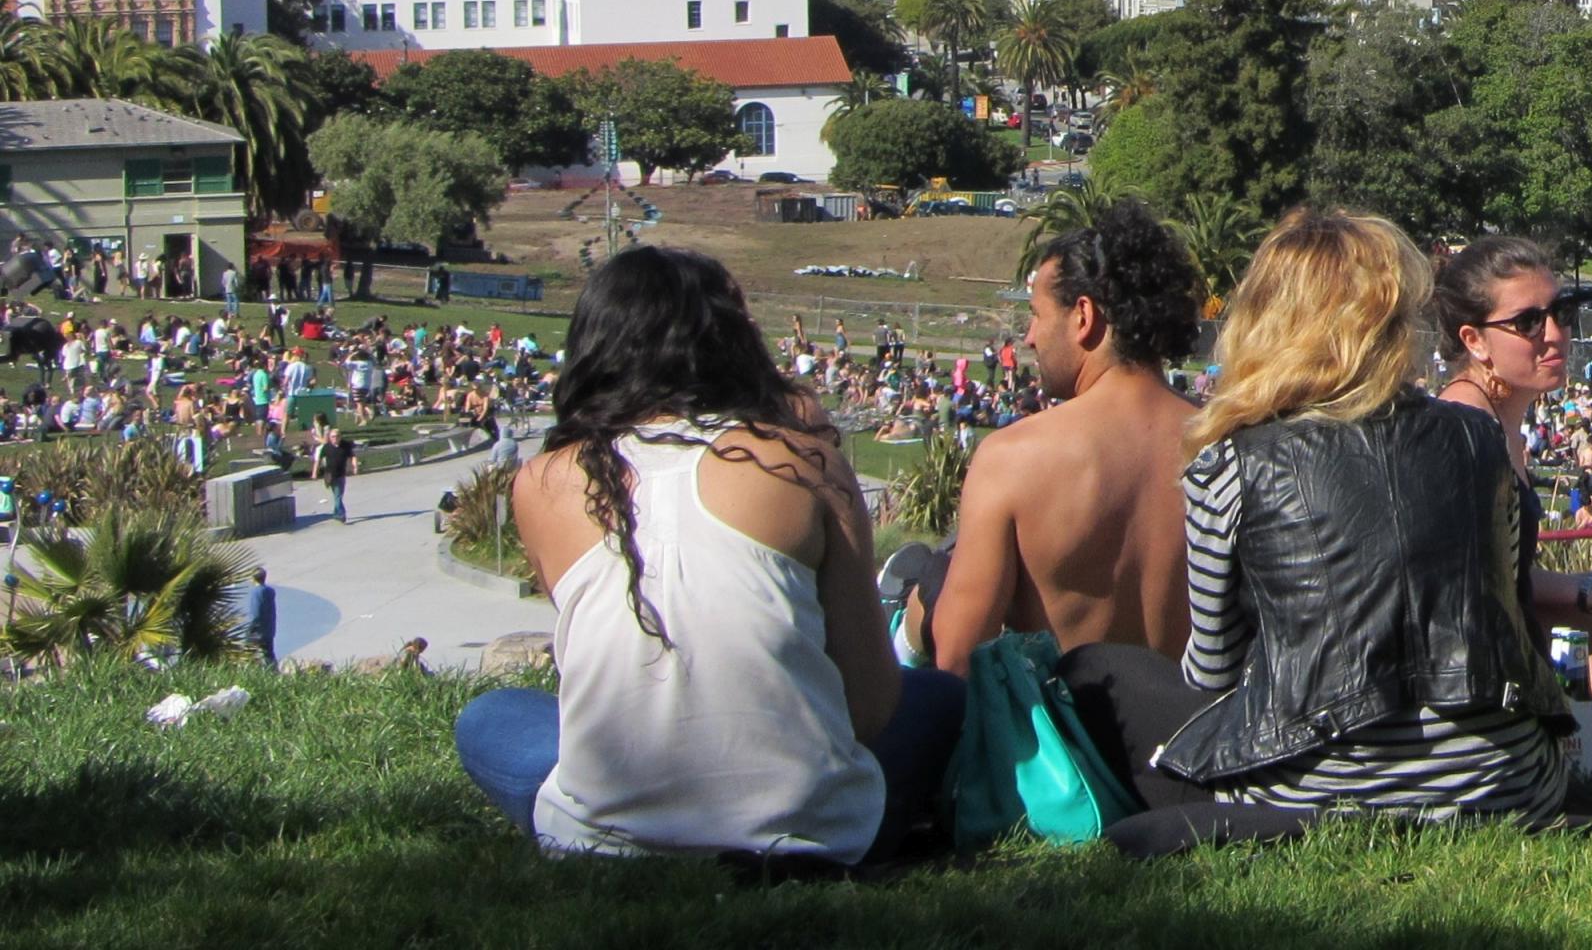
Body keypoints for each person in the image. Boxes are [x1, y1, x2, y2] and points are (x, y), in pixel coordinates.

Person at [1054, 209, 1571, 859]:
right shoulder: (1480, 436)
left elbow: (1213, 673)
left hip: (1314, 792)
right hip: (1511, 783)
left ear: (1268, 322)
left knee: (1095, 670)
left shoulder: (1232, 460)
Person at [454, 246, 963, 862]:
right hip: (808, 834)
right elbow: (870, 707)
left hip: (607, 836)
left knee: (492, 718)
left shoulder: (543, 481)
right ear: (731, 340)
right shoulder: (802, 463)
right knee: (941, 697)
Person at [928, 201, 1205, 675]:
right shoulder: (1228, 445)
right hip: (1193, 718)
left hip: (1064, 719)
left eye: (1036, 315)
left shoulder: (1014, 458)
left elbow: (957, 657)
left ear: (1083, 316)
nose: (1030, 337)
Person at [1429, 236, 1592, 709]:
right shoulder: (1465, 432)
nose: (1555, 333)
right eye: (1528, 322)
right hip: (1497, 681)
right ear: (1474, 340)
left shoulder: (1496, 420)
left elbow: (1508, 577)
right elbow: (1464, 602)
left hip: (1517, 645)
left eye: (1561, 311)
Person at [313, 424, 358, 524]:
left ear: (340, 437)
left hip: (341, 474)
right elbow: (318, 460)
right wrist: (314, 472)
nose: (335, 438)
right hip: (330, 475)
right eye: (333, 437)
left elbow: (353, 456)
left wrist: (354, 467)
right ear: (329, 438)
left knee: (338, 495)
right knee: (337, 495)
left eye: (337, 436)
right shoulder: (326, 447)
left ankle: (336, 513)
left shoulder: (345, 445)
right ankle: (341, 514)